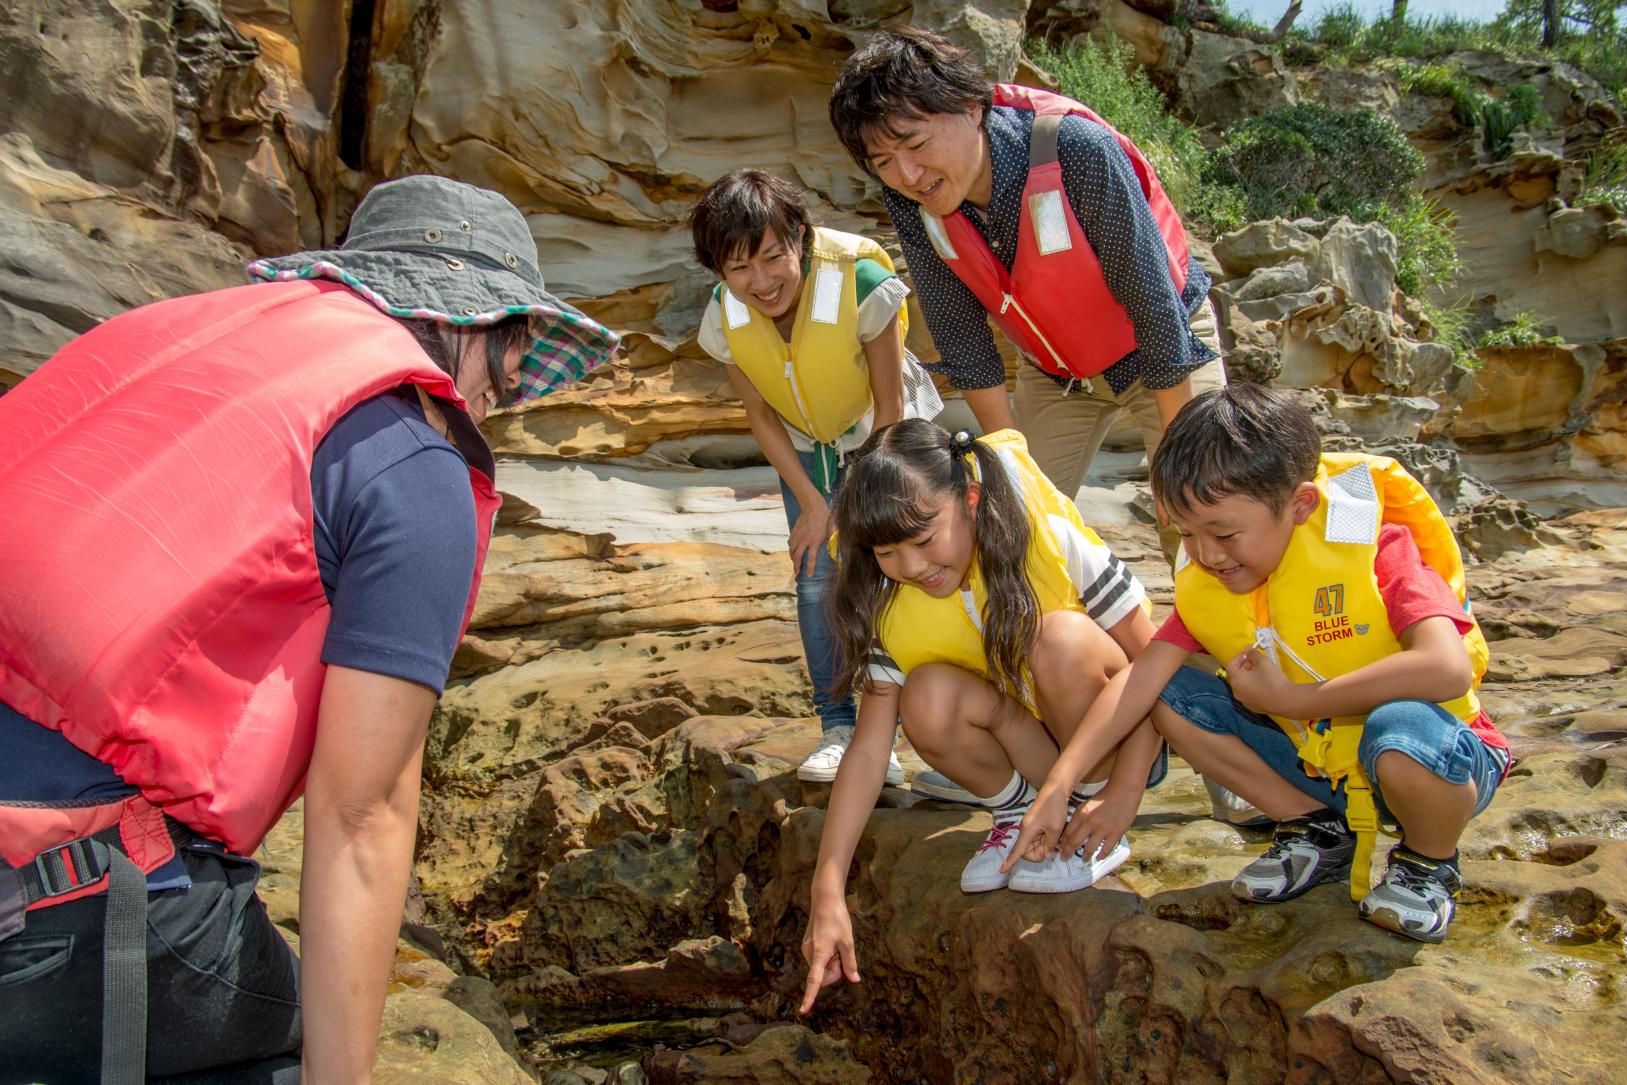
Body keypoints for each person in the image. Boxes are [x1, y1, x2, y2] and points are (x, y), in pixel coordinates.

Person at [0, 175, 620, 1082]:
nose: (504, 396)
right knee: (285, 1045)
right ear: (482, 330)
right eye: (514, 361)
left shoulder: (172, 341)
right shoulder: (414, 460)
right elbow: (362, 812)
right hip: (57, 894)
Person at [1004, 384, 1511, 944]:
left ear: (1299, 505)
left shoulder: (1376, 548)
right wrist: (1060, 785)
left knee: (1401, 730)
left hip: (1435, 760)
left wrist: (1294, 702)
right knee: (1173, 695)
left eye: (1223, 533)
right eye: (1187, 534)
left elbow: (1445, 669)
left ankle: (1427, 862)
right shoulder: (1210, 585)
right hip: (1319, 767)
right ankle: (1317, 830)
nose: (1206, 555)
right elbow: (1140, 680)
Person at [799, 418, 1166, 1013]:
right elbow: (868, 750)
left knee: (1061, 641)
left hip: (1110, 747)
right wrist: (827, 891)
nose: (911, 566)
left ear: (969, 498)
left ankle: (1085, 824)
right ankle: (1020, 811)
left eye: (924, 539)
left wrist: (1122, 792)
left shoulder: (1044, 540)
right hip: (1032, 753)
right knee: (925, 694)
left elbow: (1155, 664)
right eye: (887, 552)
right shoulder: (887, 596)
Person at [827, 26, 1227, 548]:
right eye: (883, 162)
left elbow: (1154, 306)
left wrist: (1178, 468)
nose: (908, 173)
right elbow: (963, 340)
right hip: (1059, 374)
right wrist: (1010, 470)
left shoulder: (1075, 149)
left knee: (1200, 517)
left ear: (971, 107)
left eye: (916, 143)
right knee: (1015, 527)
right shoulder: (910, 200)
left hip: (1164, 345)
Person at [688, 169, 944, 786]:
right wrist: (812, 503)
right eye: (739, 268)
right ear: (719, 270)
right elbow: (758, 412)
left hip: (885, 437)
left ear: (800, 239)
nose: (761, 281)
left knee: (896, 574)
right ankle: (838, 727)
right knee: (814, 576)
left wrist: (858, 501)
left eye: (774, 257)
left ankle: (915, 737)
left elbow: (889, 406)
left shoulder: (861, 283)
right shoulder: (726, 314)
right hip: (805, 447)